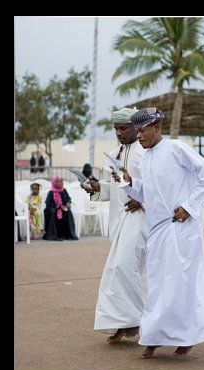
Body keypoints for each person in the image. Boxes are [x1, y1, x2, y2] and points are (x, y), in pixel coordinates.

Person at [111, 107, 204, 359]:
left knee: (183, 285)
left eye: (143, 131)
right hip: (157, 229)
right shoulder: (145, 158)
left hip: (182, 230)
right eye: (138, 131)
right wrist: (129, 182)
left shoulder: (176, 149)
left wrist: (190, 207)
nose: (140, 136)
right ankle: (154, 336)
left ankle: (186, 338)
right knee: (158, 285)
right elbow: (149, 193)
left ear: (157, 128)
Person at [82, 107, 148, 343]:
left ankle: (136, 322)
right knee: (123, 272)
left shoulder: (147, 152)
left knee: (123, 270)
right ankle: (126, 322)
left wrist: (143, 200)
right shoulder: (113, 155)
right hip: (118, 220)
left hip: (141, 220)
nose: (119, 133)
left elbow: (160, 185)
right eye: (116, 129)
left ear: (136, 128)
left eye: (124, 128)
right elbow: (114, 190)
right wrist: (97, 188)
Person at [43, 177, 78, 241]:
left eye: (60, 182)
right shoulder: (51, 192)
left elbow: (68, 198)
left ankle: (68, 235)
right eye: (57, 182)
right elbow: (48, 203)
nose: (59, 183)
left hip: (63, 208)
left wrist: (68, 202)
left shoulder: (64, 190)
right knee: (54, 212)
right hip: (52, 209)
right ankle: (54, 235)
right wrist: (58, 206)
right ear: (54, 183)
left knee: (68, 212)